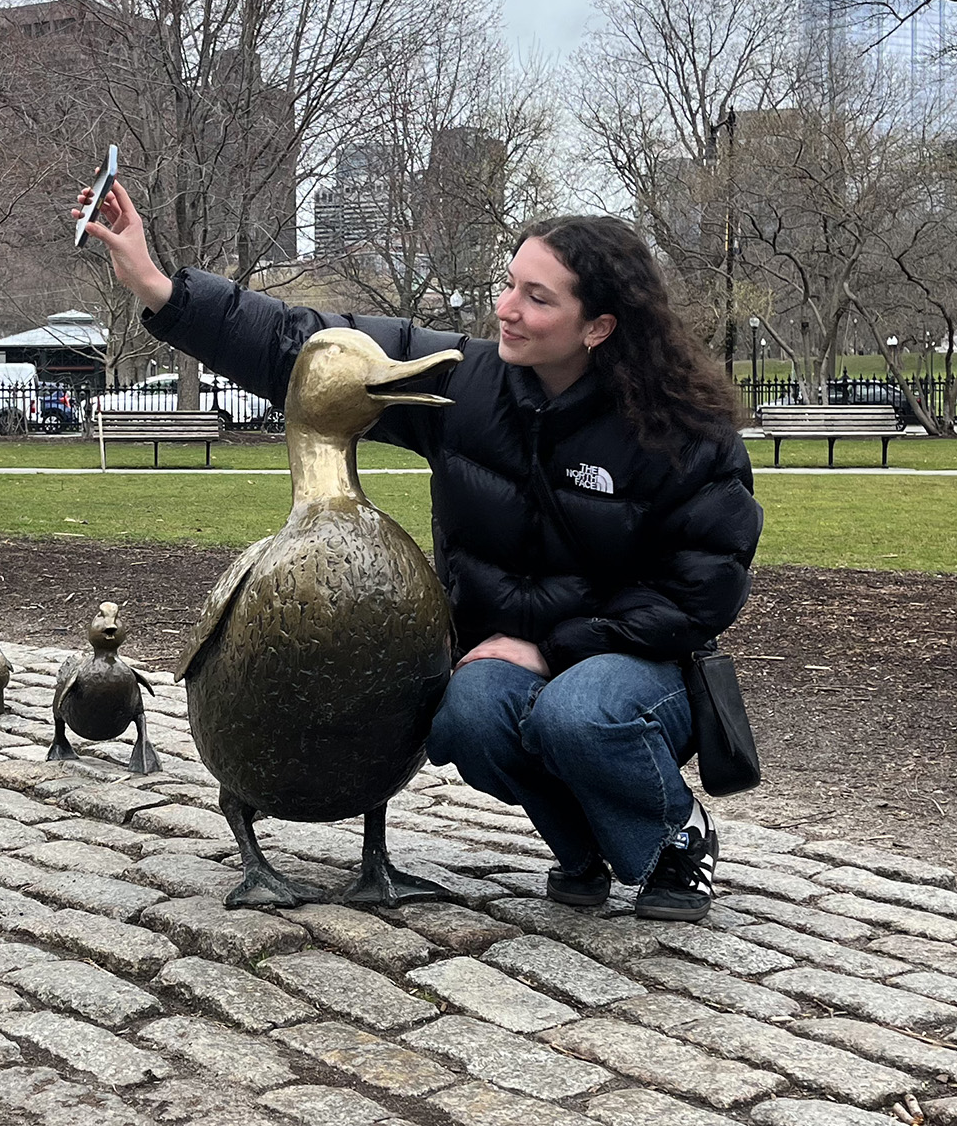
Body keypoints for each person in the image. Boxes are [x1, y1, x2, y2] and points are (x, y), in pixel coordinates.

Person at [79, 179, 761, 921]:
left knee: (575, 713)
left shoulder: (683, 433)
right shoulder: (467, 385)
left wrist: (554, 648)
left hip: (636, 668)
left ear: (597, 327)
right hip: (507, 656)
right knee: (465, 713)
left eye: (537, 298)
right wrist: (154, 283)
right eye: (509, 284)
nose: (506, 308)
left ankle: (674, 842)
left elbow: (701, 593)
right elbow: (298, 344)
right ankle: (583, 846)